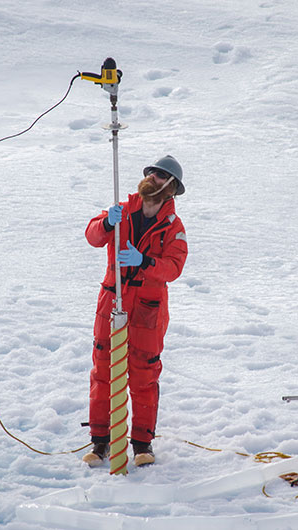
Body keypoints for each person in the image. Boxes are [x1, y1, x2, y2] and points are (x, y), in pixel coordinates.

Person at [82, 155, 188, 468]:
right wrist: (105, 223)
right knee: (104, 370)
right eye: (152, 172)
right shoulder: (122, 210)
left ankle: (142, 443)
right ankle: (100, 441)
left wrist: (144, 262)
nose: (152, 178)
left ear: (170, 188)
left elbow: (174, 267)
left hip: (148, 311)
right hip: (112, 302)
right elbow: (93, 236)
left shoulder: (173, 227)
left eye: (159, 176)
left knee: (144, 374)